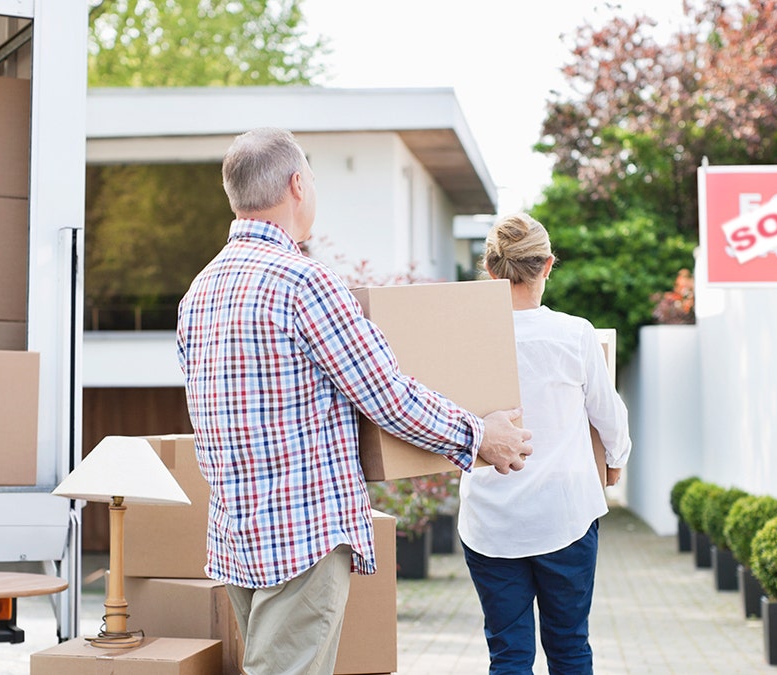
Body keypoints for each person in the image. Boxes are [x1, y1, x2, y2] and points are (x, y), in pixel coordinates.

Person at [175, 127, 533, 675]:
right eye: (312, 179)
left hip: (236, 534)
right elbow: (386, 395)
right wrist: (480, 434)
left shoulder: (199, 292)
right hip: (302, 534)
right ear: (298, 185)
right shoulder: (303, 283)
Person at [458, 212, 632, 675]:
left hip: (490, 522)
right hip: (565, 517)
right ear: (548, 265)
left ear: (490, 269)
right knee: (570, 647)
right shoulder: (575, 334)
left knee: (509, 654)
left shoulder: (467, 339)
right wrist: (615, 462)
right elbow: (610, 417)